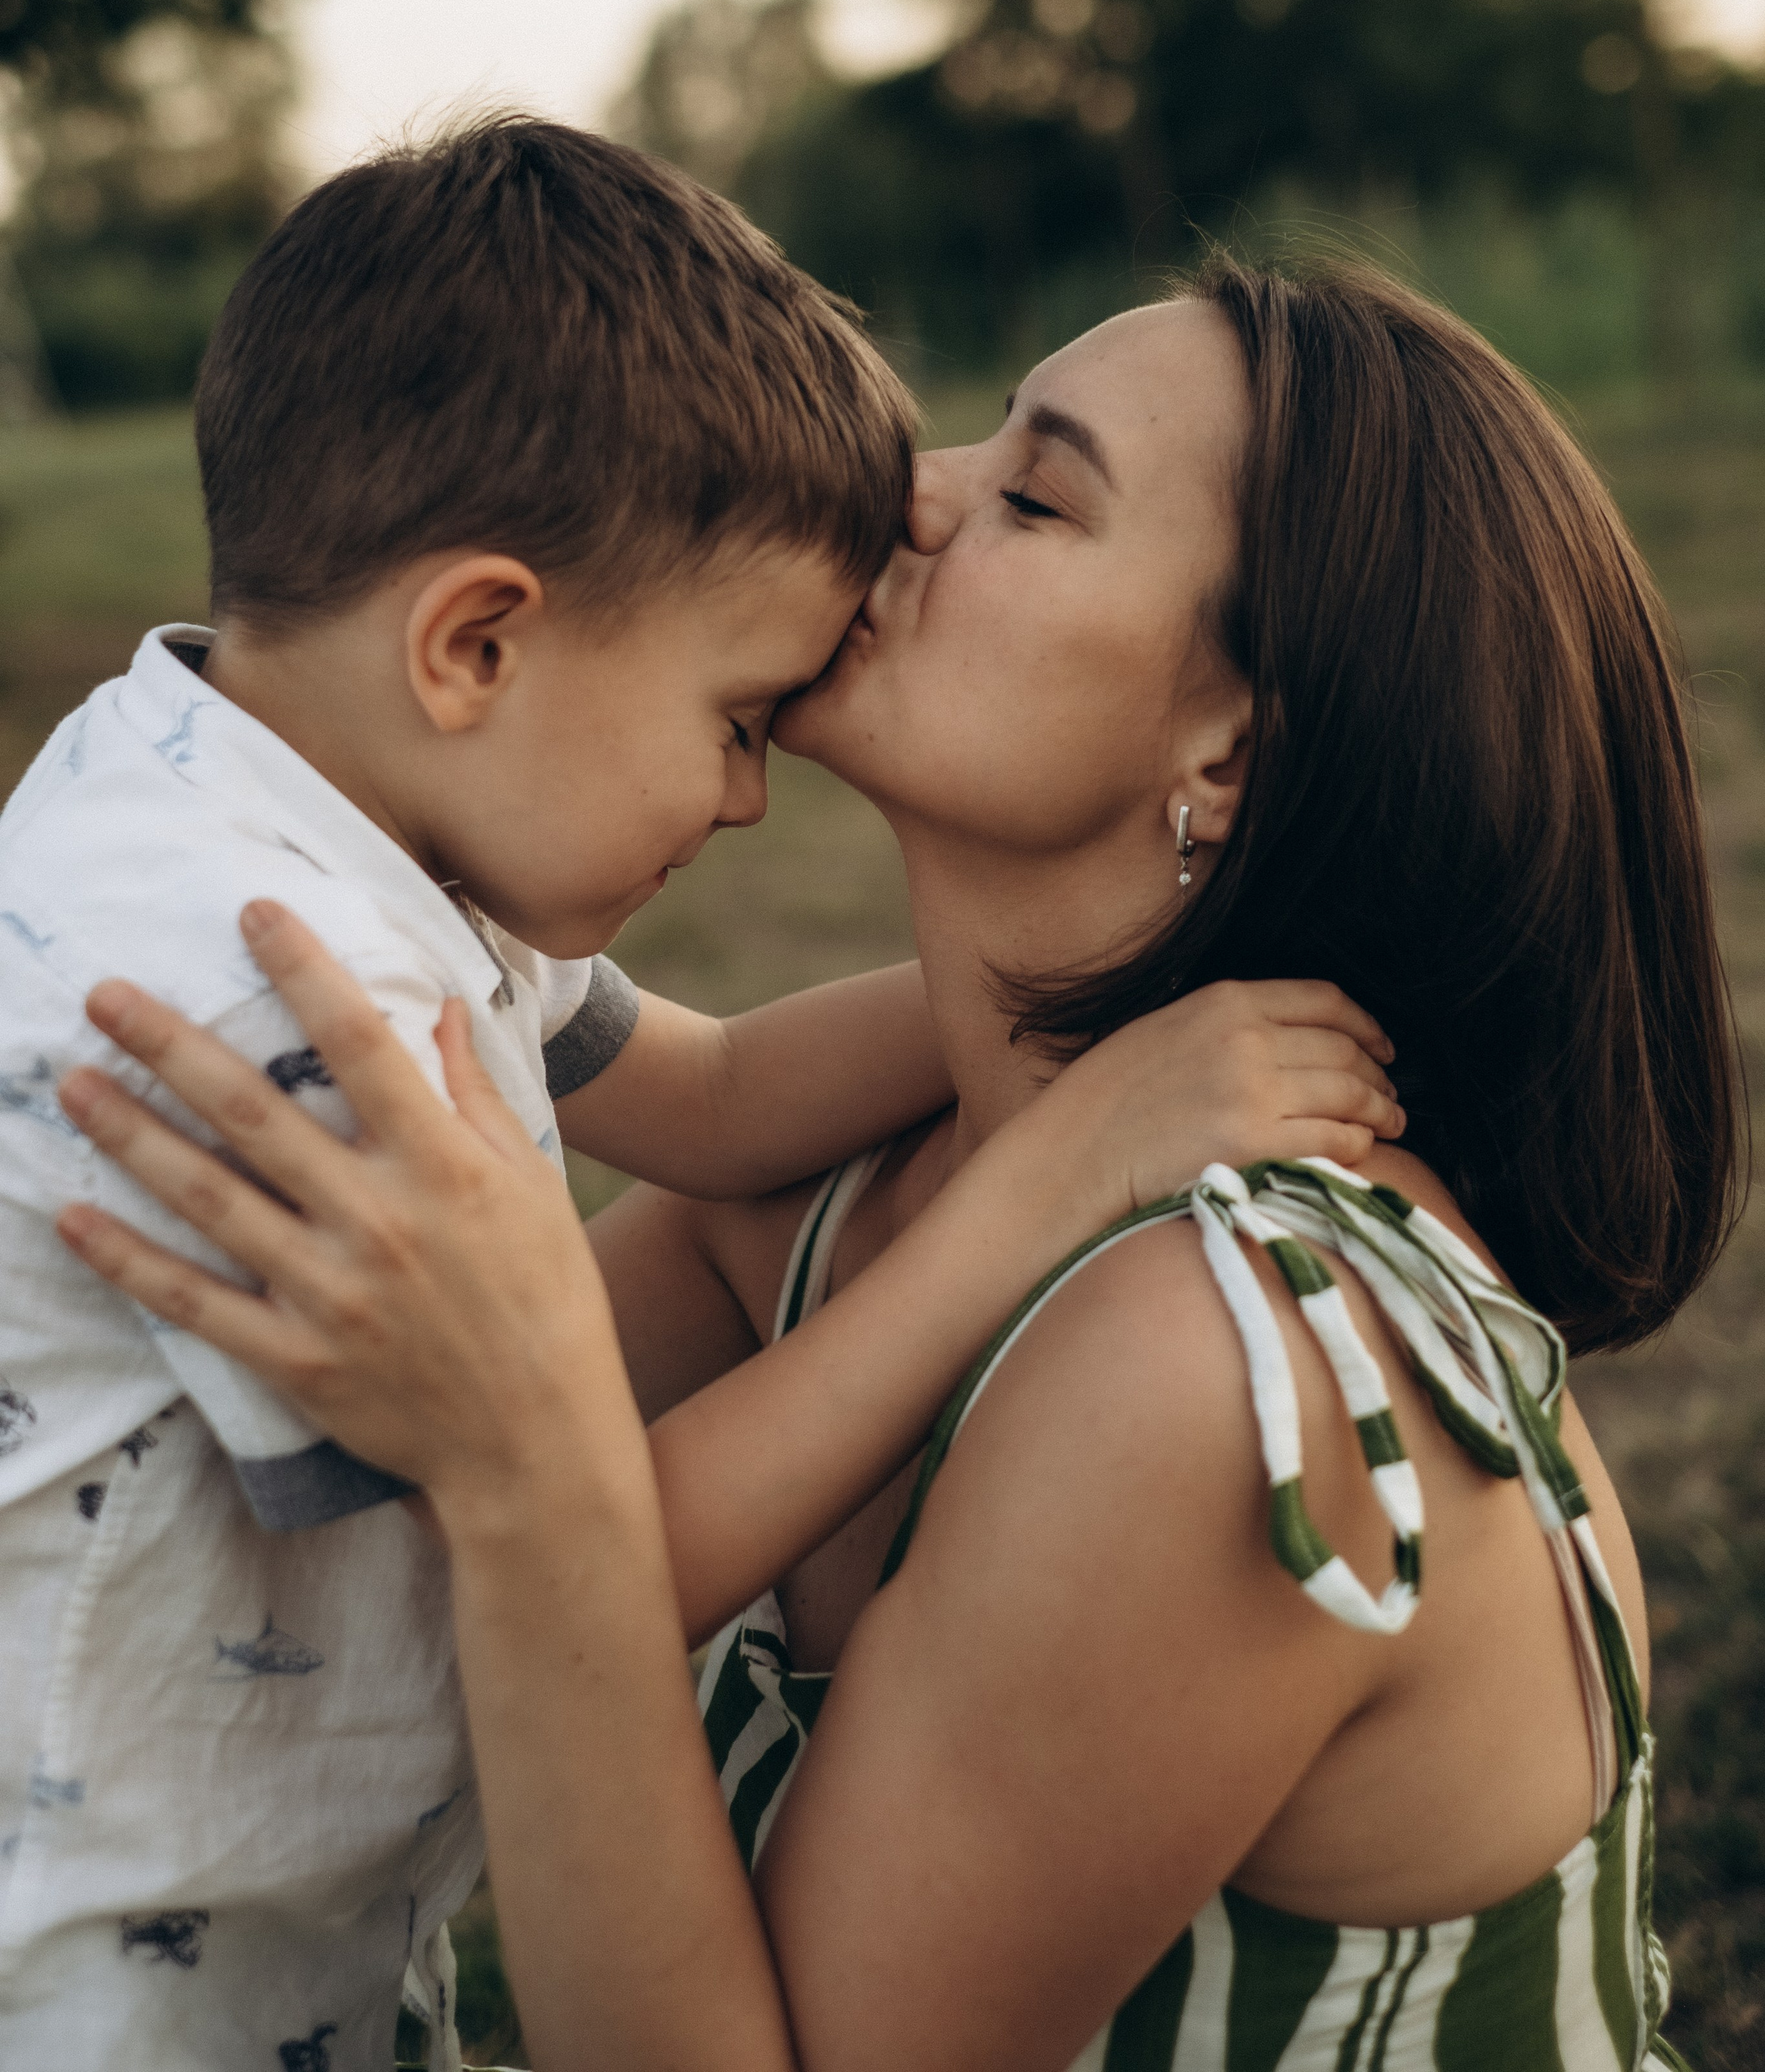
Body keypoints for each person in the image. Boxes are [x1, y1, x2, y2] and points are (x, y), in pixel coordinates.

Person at [58, 260, 1734, 2071]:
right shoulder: (851, 1195)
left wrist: (527, 1486)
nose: (908, 489)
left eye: (1036, 495)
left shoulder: (1223, 1363)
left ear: (1230, 750)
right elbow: (359, 1565)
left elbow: (533, 1535)